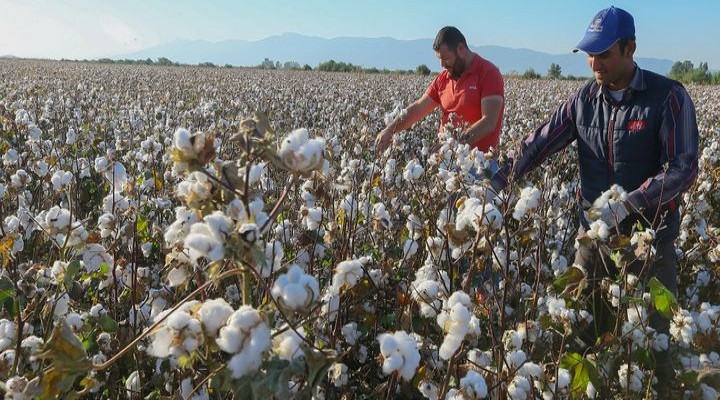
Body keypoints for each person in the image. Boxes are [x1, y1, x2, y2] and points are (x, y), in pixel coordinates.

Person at [489, 6, 699, 391]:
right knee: (580, 329)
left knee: (653, 342)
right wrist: (496, 181)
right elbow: (539, 143)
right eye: (589, 53)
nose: (593, 62)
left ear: (630, 48)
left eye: (603, 53)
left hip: (647, 244)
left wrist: (631, 202)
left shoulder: (668, 97)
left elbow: (683, 167)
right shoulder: (583, 100)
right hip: (593, 240)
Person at [375, 26, 504, 153]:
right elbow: (419, 107)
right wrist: (390, 130)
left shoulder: (488, 73)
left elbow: (489, 122)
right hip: (446, 160)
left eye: (446, 58)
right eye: (440, 59)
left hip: (478, 165)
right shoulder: (443, 78)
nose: (442, 65)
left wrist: (452, 145)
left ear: (461, 49)